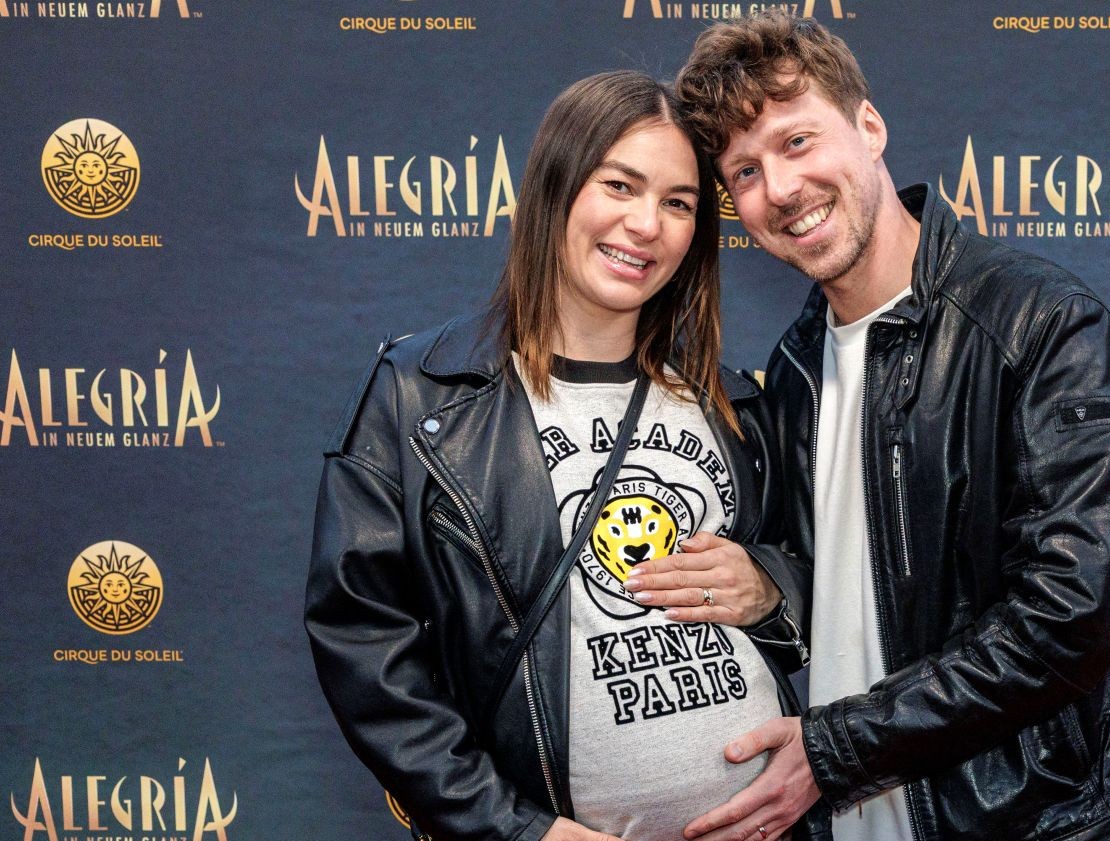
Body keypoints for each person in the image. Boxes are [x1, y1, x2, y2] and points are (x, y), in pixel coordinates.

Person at [641, 11, 1110, 841]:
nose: (779, 189)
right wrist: (770, 585)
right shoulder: (796, 368)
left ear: (869, 126)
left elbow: (1067, 621)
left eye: (796, 141)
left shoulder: (1039, 325)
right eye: (744, 171)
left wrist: (833, 749)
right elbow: (855, 583)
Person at [304, 70, 811, 841]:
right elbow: (362, 639)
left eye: (679, 203)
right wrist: (515, 829)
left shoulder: (733, 400)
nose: (646, 224)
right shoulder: (423, 394)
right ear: (557, 186)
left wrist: (772, 586)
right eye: (620, 185)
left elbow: (835, 581)